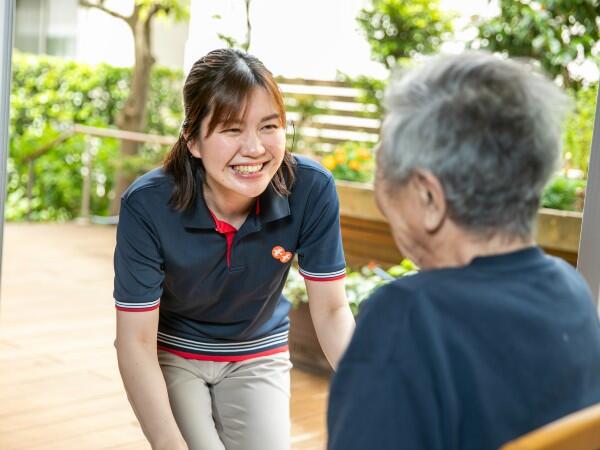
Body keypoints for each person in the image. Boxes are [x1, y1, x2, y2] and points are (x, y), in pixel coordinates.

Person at [327, 51, 600, 450]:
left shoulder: (407, 320)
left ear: (428, 197)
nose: (378, 186)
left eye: (382, 165)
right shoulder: (571, 292)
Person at [113, 48, 355, 450]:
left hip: (259, 351)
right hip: (174, 352)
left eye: (269, 126)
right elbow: (135, 342)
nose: (255, 148)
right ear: (192, 139)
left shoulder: (311, 189)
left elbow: (331, 310)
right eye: (231, 129)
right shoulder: (147, 205)